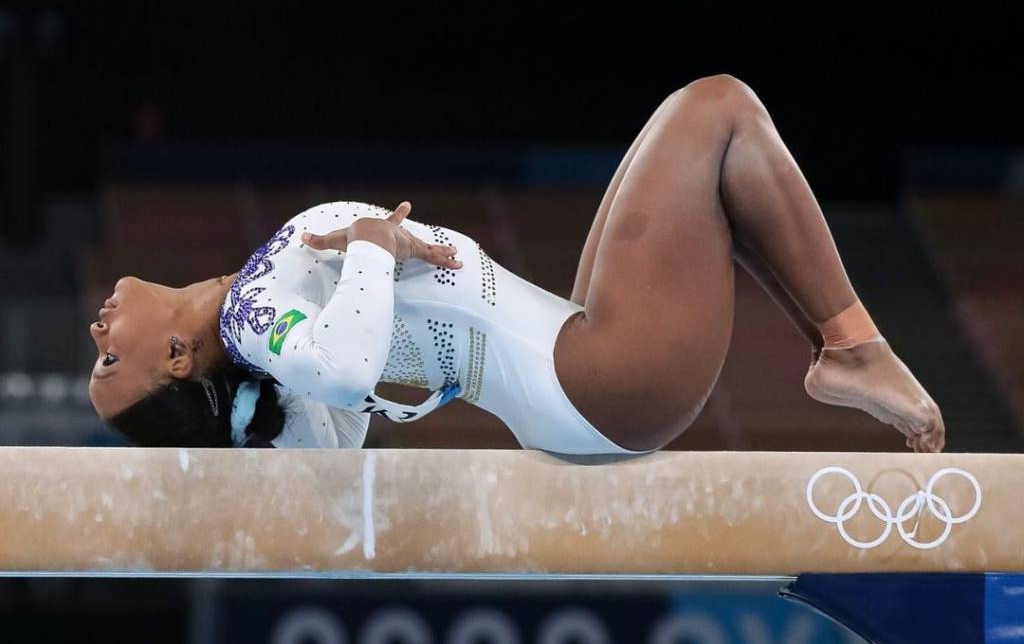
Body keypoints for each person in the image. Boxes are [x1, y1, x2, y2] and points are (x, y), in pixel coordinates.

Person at [88, 75, 945, 454]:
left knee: (702, 149)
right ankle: (852, 347)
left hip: (576, 367)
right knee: (716, 107)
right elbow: (349, 377)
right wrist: (373, 250)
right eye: (107, 358)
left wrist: (364, 278)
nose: (97, 330)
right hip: (597, 383)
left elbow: (337, 425)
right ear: (173, 358)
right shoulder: (248, 318)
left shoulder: (264, 320)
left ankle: (841, 350)